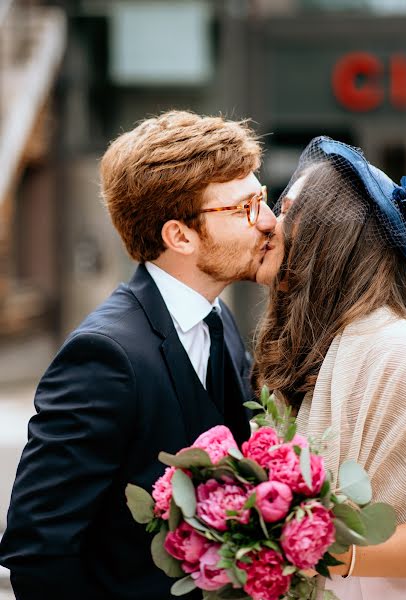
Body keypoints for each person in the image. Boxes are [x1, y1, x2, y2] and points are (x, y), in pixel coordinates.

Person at [0, 111, 276, 600]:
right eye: (244, 208)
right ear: (180, 236)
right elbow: (37, 548)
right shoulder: (104, 356)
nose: (268, 222)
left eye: (263, 200)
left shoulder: (220, 321)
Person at [254, 136, 406, 598]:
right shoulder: (322, 347)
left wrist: (331, 550)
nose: (268, 221)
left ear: (327, 235)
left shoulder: (392, 349)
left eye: (286, 208)